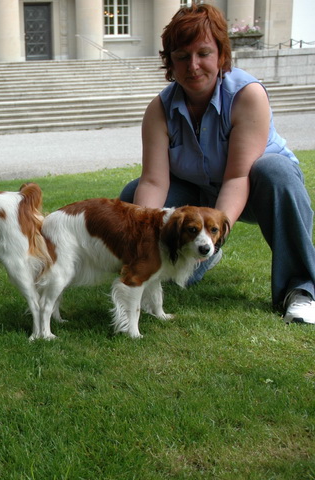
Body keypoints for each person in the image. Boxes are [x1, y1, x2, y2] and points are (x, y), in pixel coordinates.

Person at [119, 3, 315, 324]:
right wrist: (146, 244)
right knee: (134, 195)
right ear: (170, 62)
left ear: (222, 55)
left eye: (204, 53)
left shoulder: (247, 95)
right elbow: (154, 182)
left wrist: (214, 234)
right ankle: (193, 258)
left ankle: (301, 289)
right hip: (198, 195)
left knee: (275, 171)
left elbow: (238, 177)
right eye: (181, 56)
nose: (193, 66)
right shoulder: (159, 109)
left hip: (254, 189)